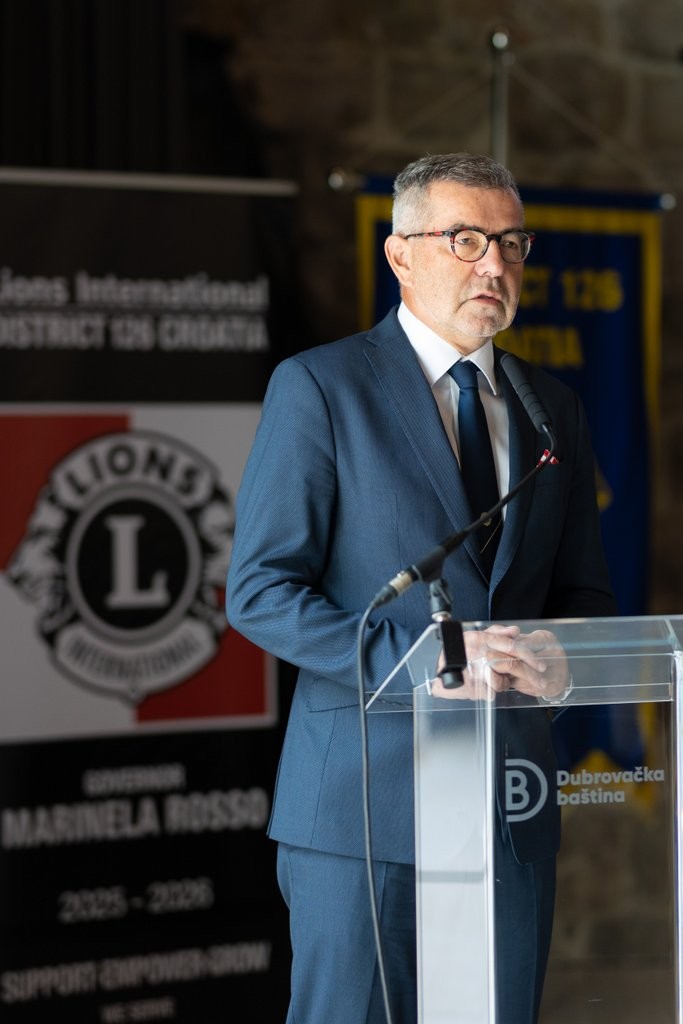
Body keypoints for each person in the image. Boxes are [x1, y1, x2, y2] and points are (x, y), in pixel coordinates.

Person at [226, 152, 617, 1024]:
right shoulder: (321, 387)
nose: (494, 265)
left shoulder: (552, 407)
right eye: (465, 239)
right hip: (361, 810)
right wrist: (428, 660)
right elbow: (259, 591)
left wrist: (563, 663)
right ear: (400, 254)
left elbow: (583, 595)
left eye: (511, 243)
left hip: (507, 805)